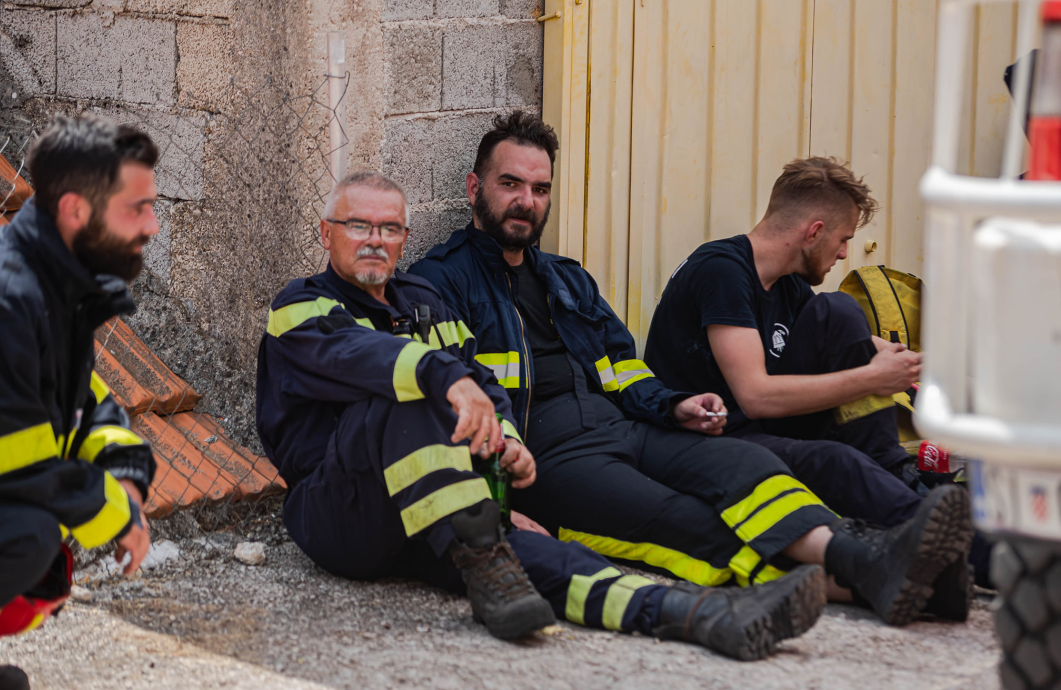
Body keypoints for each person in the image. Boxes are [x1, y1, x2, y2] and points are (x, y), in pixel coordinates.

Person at [409, 111, 974, 627]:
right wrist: (498, 505)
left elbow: (624, 369)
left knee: (743, 462)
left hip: (626, 427)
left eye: (540, 188)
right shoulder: (440, 283)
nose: (526, 201)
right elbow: (446, 405)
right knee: (680, 517)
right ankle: (878, 585)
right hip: (548, 461)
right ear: (474, 189)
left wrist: (672, 404)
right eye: (511, 184)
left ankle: (870, 559)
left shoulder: (567, 278)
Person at [255, 170, 835, 662]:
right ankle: (484, 548)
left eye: (390, 228)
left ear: (405, 238)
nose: (375, 240)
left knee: (559, 561)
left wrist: (505, 450)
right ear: (326, 233)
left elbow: (483, 384)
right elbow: (366, 358)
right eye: (359, 226)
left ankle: (699, 616)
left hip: (434, 515)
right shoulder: (300, 306)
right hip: (339, 514)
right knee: (402, 392)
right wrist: (446, 378)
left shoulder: (425, 305)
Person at [643, 156, 991, 589]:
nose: (845, 252)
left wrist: (918, 368)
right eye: (843, 239)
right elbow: (755, 396)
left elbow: (862, 347)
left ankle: (895, 473)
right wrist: (873, 378)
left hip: (760, 427)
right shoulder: (722, 270)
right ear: (814, 231)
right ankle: (980, 557)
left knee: (840, 311)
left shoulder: (788, 283)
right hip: (706, 437)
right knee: (838, 461)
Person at [0, 115, 159, 690]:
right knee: (26, 534)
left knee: (38, 538)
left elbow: (84, 399)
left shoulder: (55, 284)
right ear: (76, 210)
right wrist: (116, 514)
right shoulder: (3, 299)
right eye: (137, 208)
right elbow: (15, 466)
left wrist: (124, 471)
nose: (152, 225)